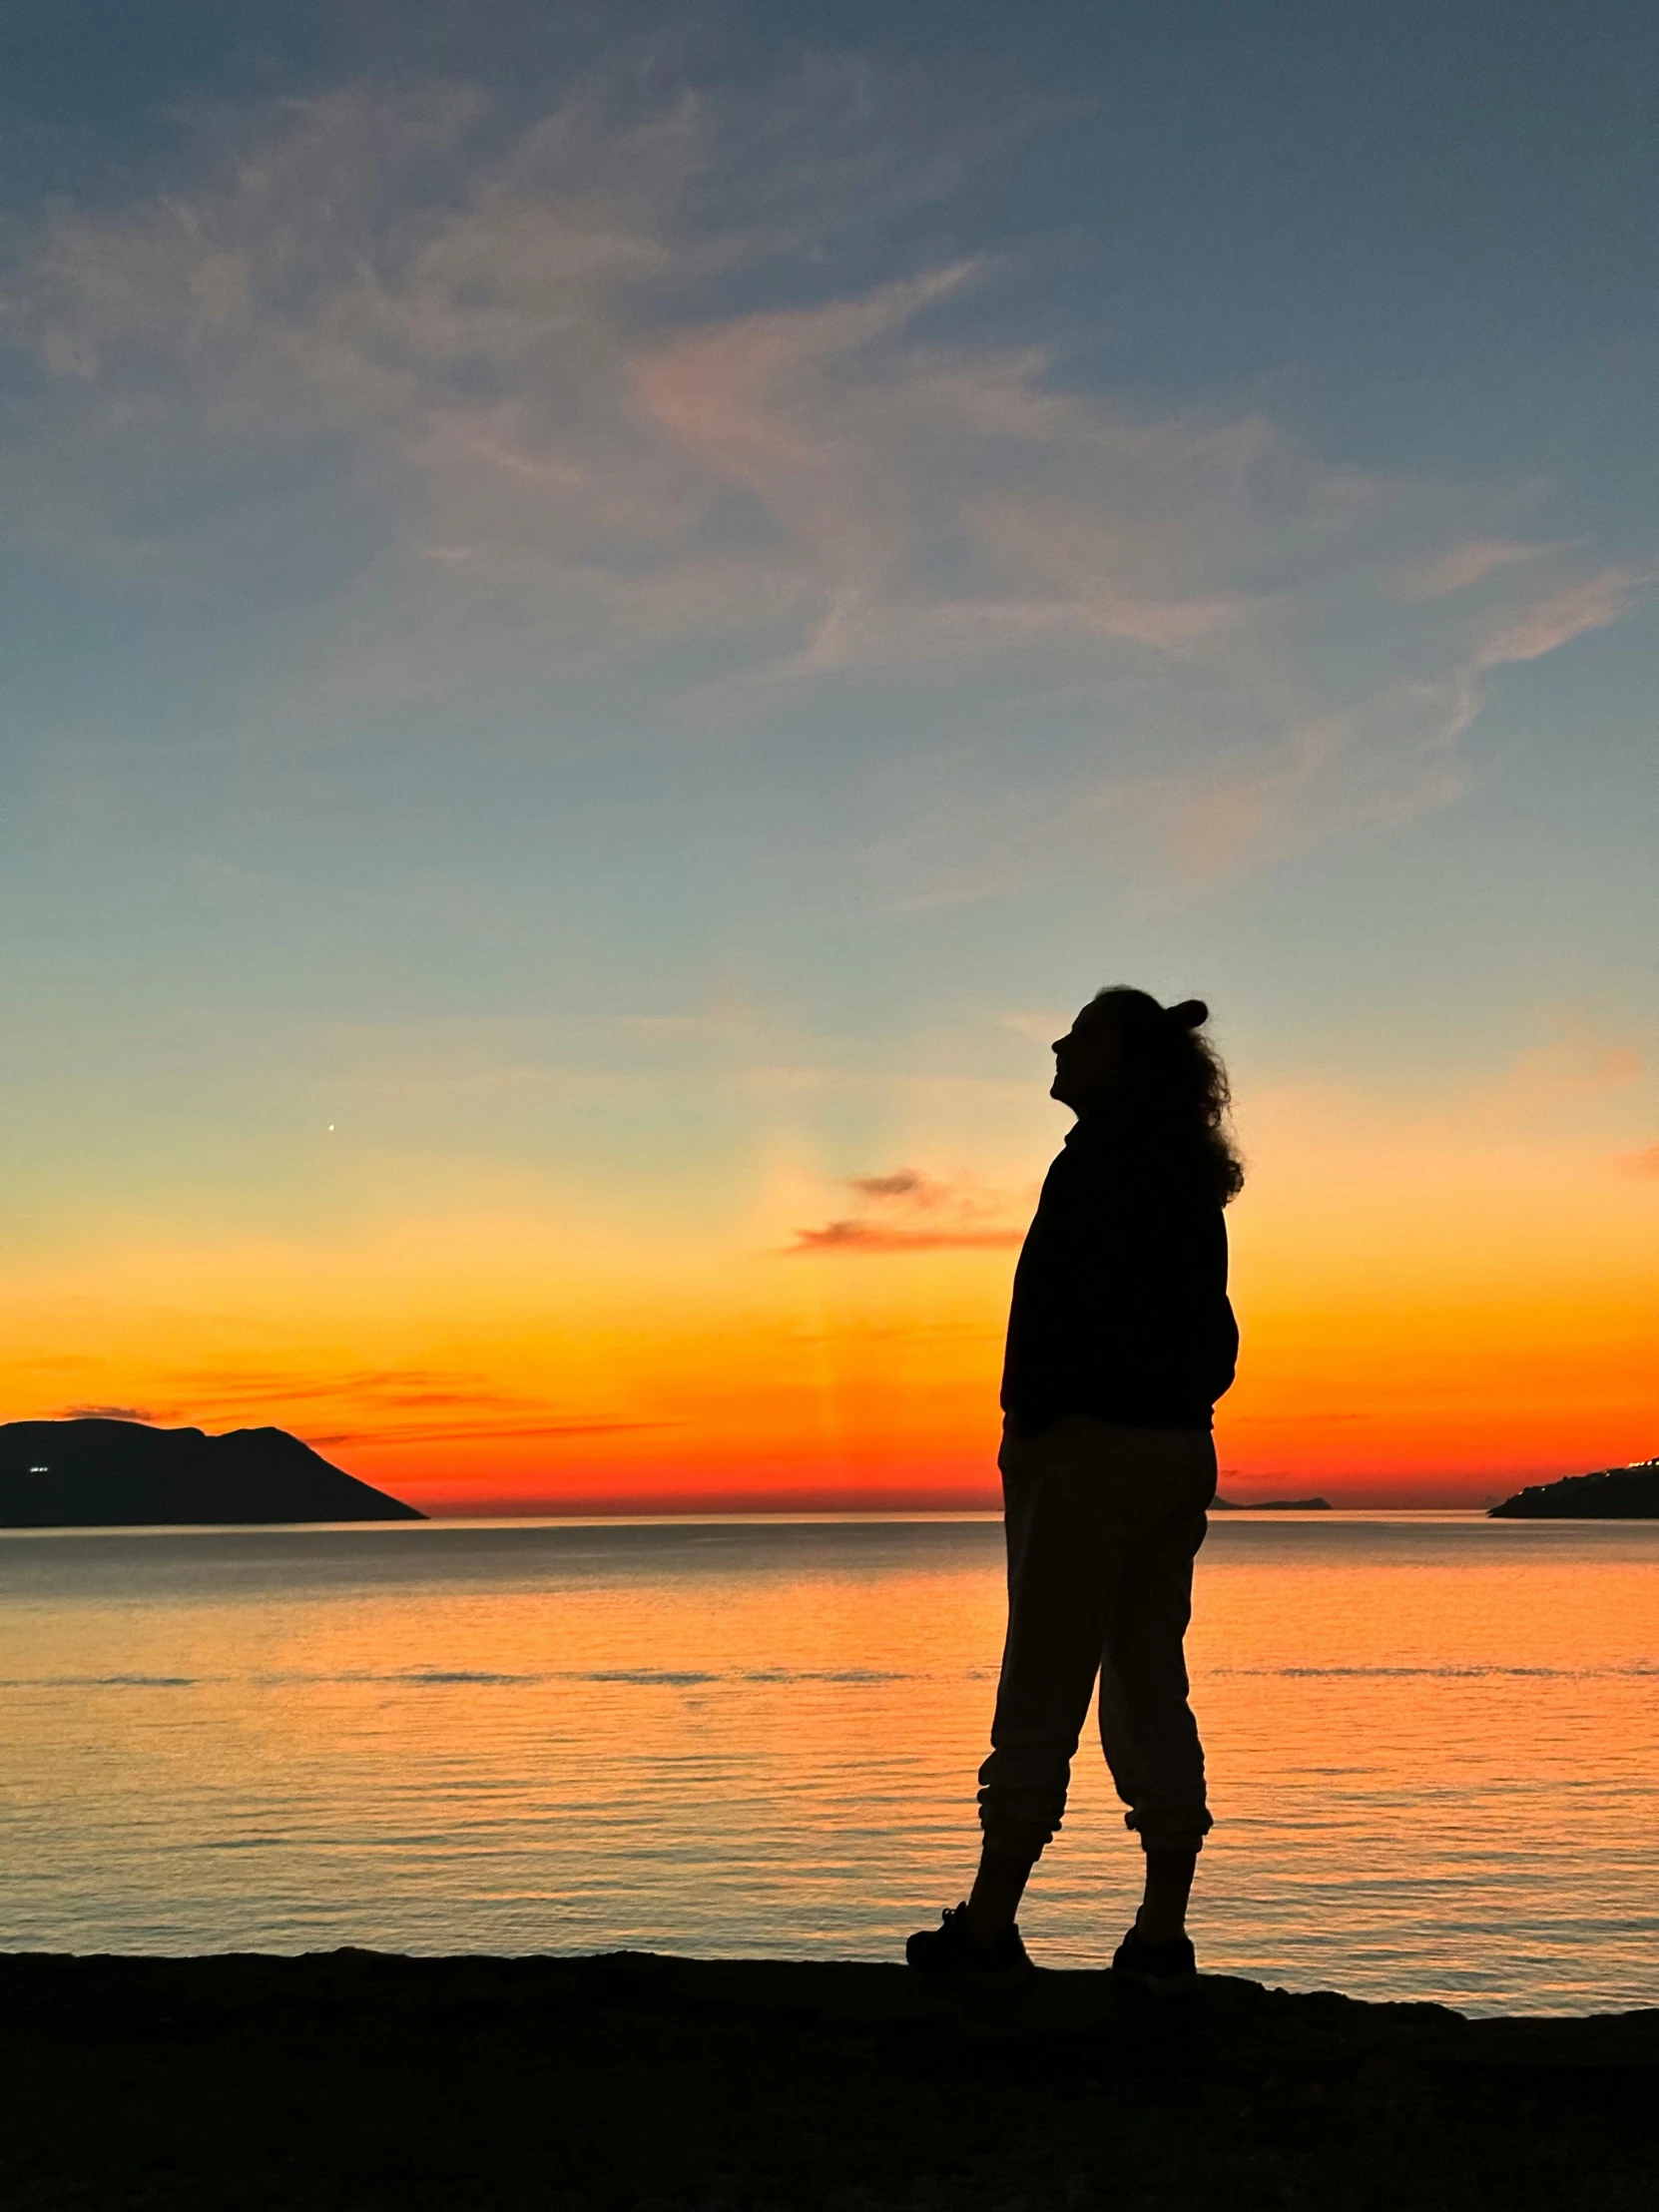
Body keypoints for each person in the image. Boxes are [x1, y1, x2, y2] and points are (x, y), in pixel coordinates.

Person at [907, 986, 1243, 1990]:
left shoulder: (1098, 1162)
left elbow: (1069, 1316)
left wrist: (1042, 1421)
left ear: (1117, 1060)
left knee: (1044, 1675)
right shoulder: (1181, 1172)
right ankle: (1160, 1934)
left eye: (1079, 1033)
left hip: (1090, 1449)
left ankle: (989, 1927)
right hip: (1171, 1447)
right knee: (1148, 1679)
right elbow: (1212, 1337)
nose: (1056, 1042)